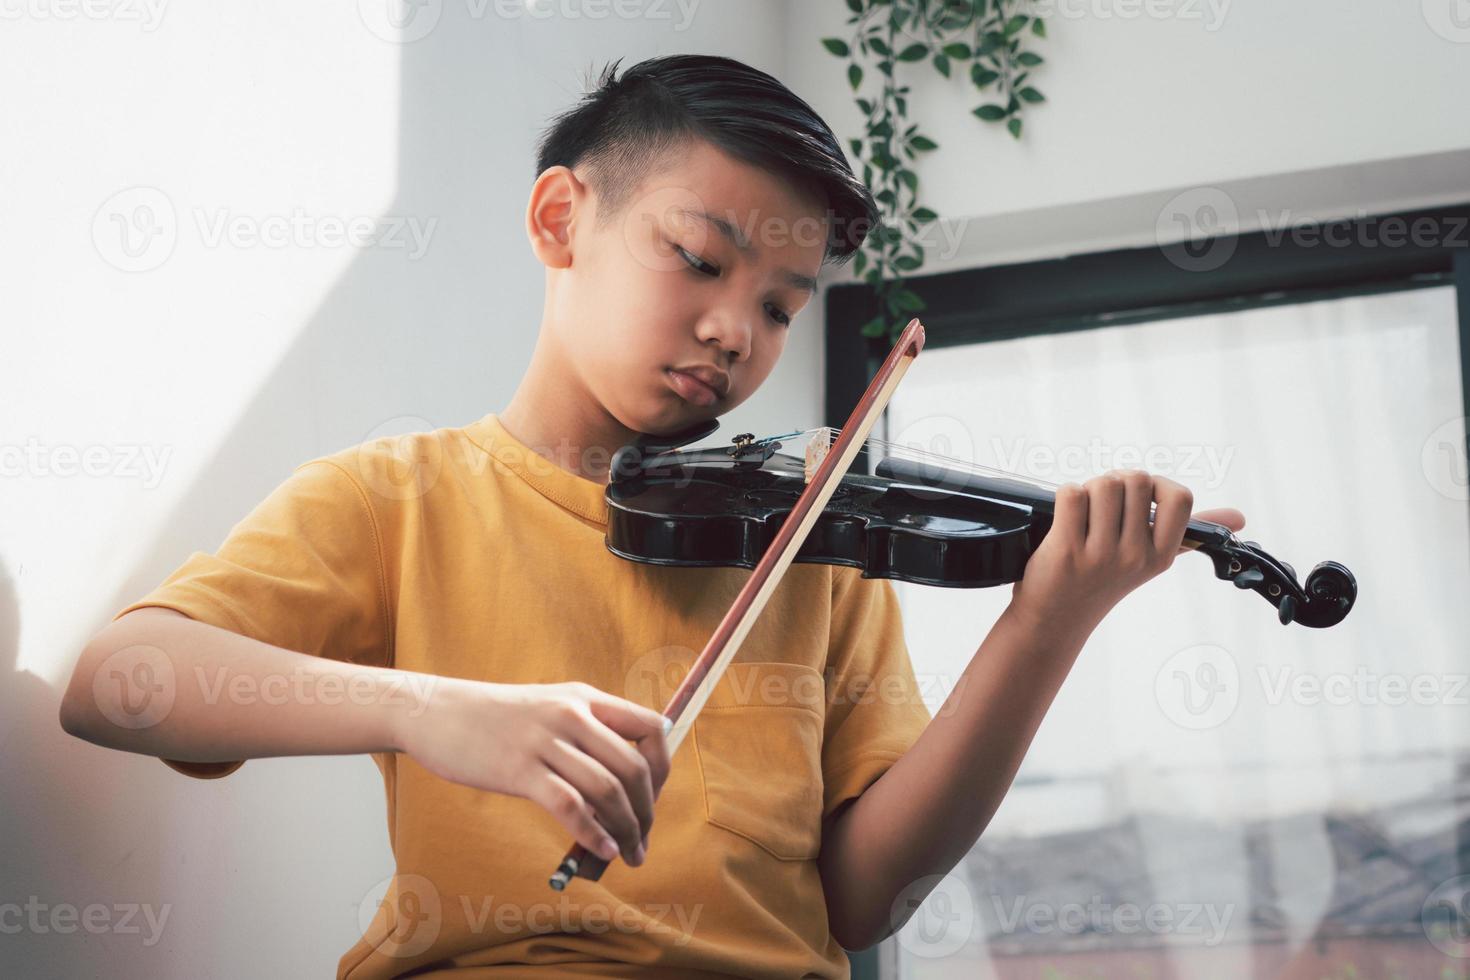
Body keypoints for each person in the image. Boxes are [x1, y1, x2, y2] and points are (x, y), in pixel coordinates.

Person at [60, 53, 1244, 979]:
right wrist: (435, 712)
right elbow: (122, 677)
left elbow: (865, 897)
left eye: (782, 306)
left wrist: (1044, 627)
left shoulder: (812, 547)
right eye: (697, 259)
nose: (738, 331)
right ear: (560, 221)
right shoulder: (401, 496)